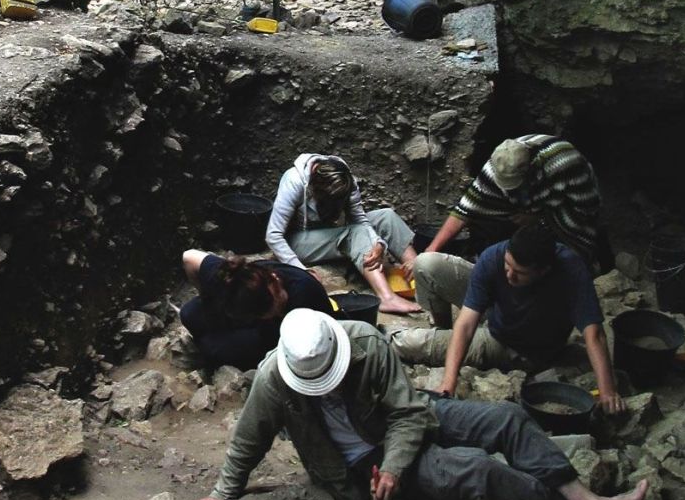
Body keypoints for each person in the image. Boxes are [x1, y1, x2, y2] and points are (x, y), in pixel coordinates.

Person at [181, 309, 647, 500]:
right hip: (358, 461)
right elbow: (248, 440)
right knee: (473, 468)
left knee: (506, 418)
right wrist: (222, 495)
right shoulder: (273, 381)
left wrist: (398, 467)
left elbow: (407, 414)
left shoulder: (364, 341)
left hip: (401, 421)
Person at [392, 225, 625, 413]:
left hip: (510, 344)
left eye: (520, 273)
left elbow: (594, 333)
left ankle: (383, 336)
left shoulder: (571, 270)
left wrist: (607, 391)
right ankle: (441, 329)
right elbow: (465, 325)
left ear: (542, 270)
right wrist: (449, 380)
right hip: (496, 312)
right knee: (426, 263)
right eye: (507, 265)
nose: (509, 274)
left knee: (410, 343)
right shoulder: (496, 255)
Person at [266, 153, 420, 315]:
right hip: (297, 241)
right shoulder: (294, 181)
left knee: (385, 216)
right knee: (354, 234)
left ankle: (418, 270)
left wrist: (378, 243)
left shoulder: (344, 179)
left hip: (327, 233)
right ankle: (387, 298)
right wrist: (301, 270)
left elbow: (359, 219)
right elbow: (273, 236)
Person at [423, 134, 604, 267]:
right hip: (526, 208)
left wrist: (540, 218)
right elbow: (465, 210)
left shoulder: (564, 163)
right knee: (486, 221)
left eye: (515, 185)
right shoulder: (496, 166)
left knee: (568, 261)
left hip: (561, 211)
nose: (509, 190)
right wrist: (431, 251)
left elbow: (586, 210)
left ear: (532, 168)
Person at [179, 249, 334, 371]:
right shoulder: (234, 278)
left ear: (275, 279)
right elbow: (189, 257)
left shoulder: (305, 293)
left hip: (276, 331)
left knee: (210, 347)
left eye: (278, 302)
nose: (279, 310)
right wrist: (206, 297)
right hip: (247, 313)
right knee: (189, 314)